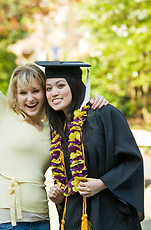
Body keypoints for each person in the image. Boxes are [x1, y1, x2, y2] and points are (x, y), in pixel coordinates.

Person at [0, 2, 109, 230]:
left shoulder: (54, 126)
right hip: (6, 221)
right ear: (15, 95)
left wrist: (97, 100)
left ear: (44, 93)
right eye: (23, 93)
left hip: (41, 220)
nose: (30, 98)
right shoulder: (5, 114)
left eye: (36, 91)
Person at [36, 61, 144, 230]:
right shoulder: (58, 129)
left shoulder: (104, 114)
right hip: (73, 217)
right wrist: (60, 196)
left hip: (109, 215)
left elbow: (132, 161)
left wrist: (102, 183)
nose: (54, 93)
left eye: (60, 85)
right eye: (48, 88)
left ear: (75, 85)